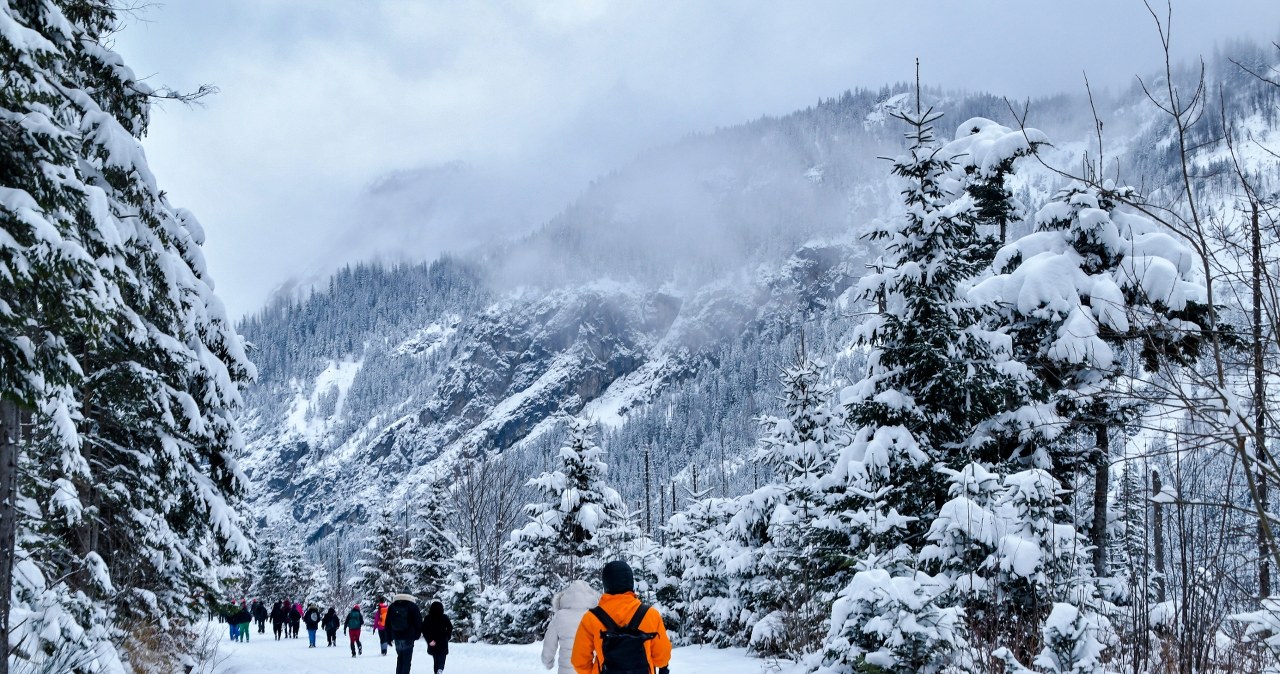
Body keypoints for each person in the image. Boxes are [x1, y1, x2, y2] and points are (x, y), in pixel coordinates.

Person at [572, 560, 672, 674]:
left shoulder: (591, 618)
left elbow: (579, 661)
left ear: (605, 584)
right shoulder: (650, 614)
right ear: (631, 583)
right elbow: (662, 658)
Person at [542, 580, 599, 674]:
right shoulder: (596, 617)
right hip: (589, 669)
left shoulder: (559, 617)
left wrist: (548, 662)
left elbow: (549, 643)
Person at [385, 593, 424, 674]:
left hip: (396, 636)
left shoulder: (392, 606)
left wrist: (388, 637)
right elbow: (418, 622)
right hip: (408, 637)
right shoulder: (413, 606)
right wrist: (417, 635)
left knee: (400, 659)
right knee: (407, 660)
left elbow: (387, 623)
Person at [422, 600, 453, 674]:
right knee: (442, 658)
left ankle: (436, 671)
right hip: (442, 641)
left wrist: (429, 640)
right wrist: (447, 636)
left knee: (435, 659)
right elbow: (450, 627)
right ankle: (440, 669)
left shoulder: (427, 618)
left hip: (432, 642)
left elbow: (424, 630)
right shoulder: (444, 617)